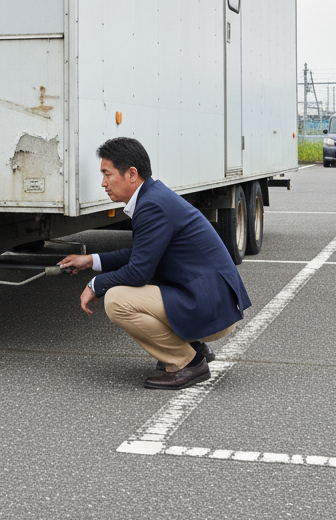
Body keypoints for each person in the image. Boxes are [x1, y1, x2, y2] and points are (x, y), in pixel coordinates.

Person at [59, 137, 251, 389]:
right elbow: (142, 254)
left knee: (116, 300)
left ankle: (188, 363)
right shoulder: (154, 197)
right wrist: (91, 261)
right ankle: (194, 346)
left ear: (131, 174)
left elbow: (138, 272)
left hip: (210, 308)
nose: (103, 183)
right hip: (214, 300)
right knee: (131, 290)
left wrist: (96, 284)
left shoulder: (152, 206)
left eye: (107, 174)